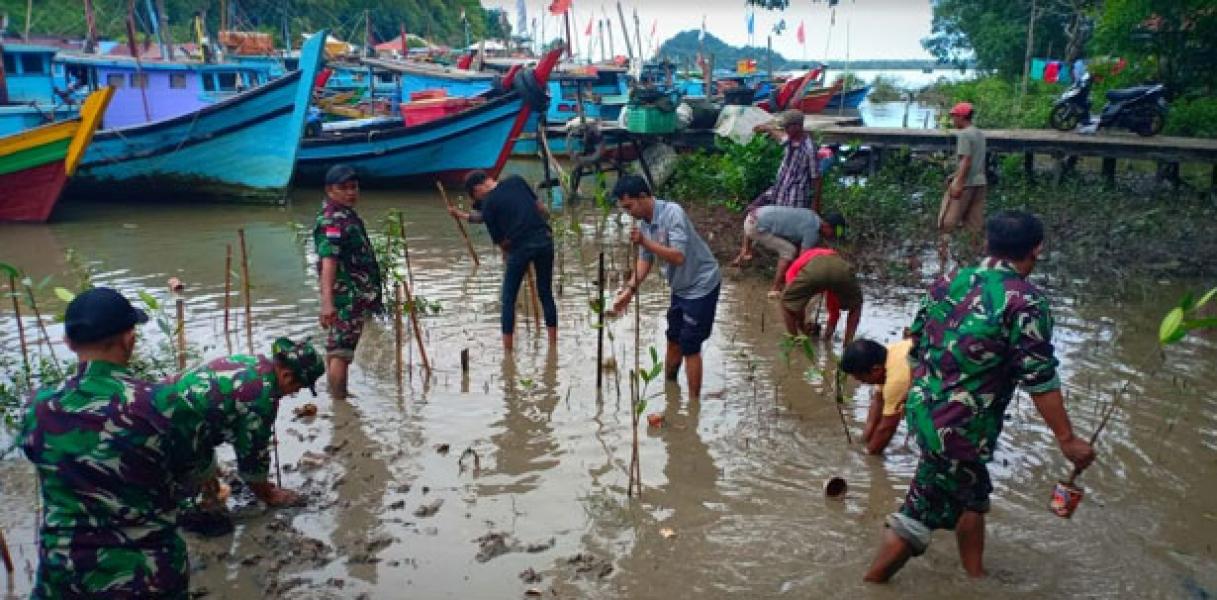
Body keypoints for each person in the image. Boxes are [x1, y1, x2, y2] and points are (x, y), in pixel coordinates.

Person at [18, 288, 320, 597]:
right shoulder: (163, 404)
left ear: (68, 342)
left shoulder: (36, 408)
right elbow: (192, 476)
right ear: (130, 339)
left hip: (62, 576)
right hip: (146, 575)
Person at [864, 211, 1096, 583]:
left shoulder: (948, 281)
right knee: (917, 515)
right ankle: (870, 585)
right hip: (960, 430)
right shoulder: (1026, 302)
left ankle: (976, 577)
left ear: (987, 243)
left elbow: (915, 342)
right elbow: (1040, 378)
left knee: (971, 494)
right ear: (1036, 250)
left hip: (924, 411)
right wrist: (1067, 439)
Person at [174, 337, 326, 534]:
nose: (294, 392)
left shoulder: (254, 363)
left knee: (206, 464)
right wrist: (269, 494)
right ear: (287, 376)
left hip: (170, 405)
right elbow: (252, 456)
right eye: (298, 387)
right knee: (210, 520)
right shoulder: (260, 399)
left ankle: (202, 478)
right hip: (172, 433)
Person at [610, 175, 721, 401]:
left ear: (643, 197)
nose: (628, 213)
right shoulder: (644, 224)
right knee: (673, 338)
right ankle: (671, 394)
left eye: (629, 206)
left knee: (690, 344)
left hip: (701, 284)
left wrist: (644, 241)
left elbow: (678, 256)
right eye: (624, 208)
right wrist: (630, 290)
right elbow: (645, 260)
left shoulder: (672, 213)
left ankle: (693, 406)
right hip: (680, 288)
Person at [449, 169, 557, 351]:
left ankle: (507, 351)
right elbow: (541, 209)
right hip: (545, 240)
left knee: (508, 299)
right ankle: (553, 344)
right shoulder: (517, 180)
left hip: (520, 248)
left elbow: (502, 242)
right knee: (545, 293)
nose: (479, 200)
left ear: (478, 189)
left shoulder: (488, 203)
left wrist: (508, 254)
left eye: (475, 197)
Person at [314, 164, 383, 399]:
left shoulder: (345, 215)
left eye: (354, 187)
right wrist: (327, 302)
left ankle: (337, 397)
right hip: (347, 296)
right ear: (329, 190)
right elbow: (329, 261)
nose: (351, 192)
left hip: (352, 295)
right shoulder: (333, 221)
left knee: (338, 346)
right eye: (343, 188)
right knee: (341, 351)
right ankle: (340, 402)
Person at [731, 206, 845, 296]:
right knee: (789, 251)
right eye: (834, 231)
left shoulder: (812, 215)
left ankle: (744, 254)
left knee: (780, 240)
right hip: (755, 227)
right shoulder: (813, 231)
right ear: (826, 226)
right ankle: (775, 288)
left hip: (752, 215)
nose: (833, 235)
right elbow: (802, 259)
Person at [779, 246, 863, 352]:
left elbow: (794, 304)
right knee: (856, 306)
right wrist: (827, 336)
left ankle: (795, 343)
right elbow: (834, 311)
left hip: (815, 268)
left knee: (786, 303)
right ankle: (848, 347)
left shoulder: (797, 266)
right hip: (841, 270)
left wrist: (801, 325)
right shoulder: (832, 259)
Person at [841, 338, 912, 455]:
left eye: (861, 377)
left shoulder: (896, 380)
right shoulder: (887, 355)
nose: (858, 380)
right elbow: (878, 401)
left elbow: (888, 428)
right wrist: (864, 439)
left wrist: (867, 455)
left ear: (876, 370)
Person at [938, 101, 987, 269]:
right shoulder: (979, 134)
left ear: (962, 117)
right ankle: (971, 262)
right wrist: (954, 175)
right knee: (974, 227)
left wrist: (957, 183)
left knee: (946, 223)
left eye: (954, 117)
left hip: (965, 185)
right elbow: (976, 161)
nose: (953, 120)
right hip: (980, 183)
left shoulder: (964, 135)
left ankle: (942, 262)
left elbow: (966, 161)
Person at [748, 109, 820, 212]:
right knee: (752, 209)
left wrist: (815, 207)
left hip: (794, 201)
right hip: (779, 194)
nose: (785, 130)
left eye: (787, 127)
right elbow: (779, 135)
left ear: (797, 126)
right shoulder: (790, 140)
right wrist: (767, 128)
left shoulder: (809, 149)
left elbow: (816, 179)